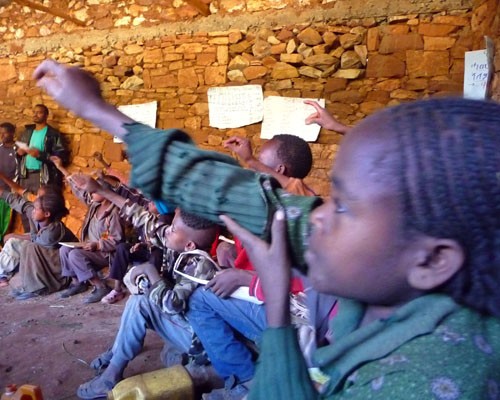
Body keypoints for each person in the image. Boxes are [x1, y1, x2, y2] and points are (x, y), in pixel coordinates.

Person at [219, 98, 500, 399]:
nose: (318, 214)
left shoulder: (414, 382)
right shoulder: (419, 312)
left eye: (342, 206)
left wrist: (277, 308)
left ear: (432, 261)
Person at [32, 60, 322, 274]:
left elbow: (209, 184)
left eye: (262, 166)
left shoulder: (295, 214)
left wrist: (94, 109)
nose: (254, 173)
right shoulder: (275, 219)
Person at [71, 176, 218, 400]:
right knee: (141, 296)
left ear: (189, 244)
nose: (166, 231)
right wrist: (101, 189)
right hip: (183, 325)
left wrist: (150, 275)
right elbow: (142, 217)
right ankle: (118, 352)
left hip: (199, 340)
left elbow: (172, 304)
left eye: (172, 230)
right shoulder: (178, 243)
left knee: (141, 301)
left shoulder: (202, 265)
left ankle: (111, 375)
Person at [56, 170, 125, 304]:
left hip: (105, 253)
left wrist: (98, 245)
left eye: (94, 190)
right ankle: (78, 282)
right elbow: (80, 190)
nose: (90, 193)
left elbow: (117, 241)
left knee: (75, 255)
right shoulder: (94, 205)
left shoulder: (114, 213)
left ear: (106, 192)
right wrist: (65, 171)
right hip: (90, 248)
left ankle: (101, 286)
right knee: (64, 250)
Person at [0, 187, 77, 298]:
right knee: (24, 246)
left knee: (30, 248)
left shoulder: (53, 230)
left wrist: (16, 235)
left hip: (61, 266)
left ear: (47, 213)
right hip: (47, 258)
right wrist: (2, 192)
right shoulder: (37, 214)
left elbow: (35, 241)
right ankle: (27, 283)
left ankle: (39, 288)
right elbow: (21, 203)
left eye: (36, 208)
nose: (33, 211)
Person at [223, 134, 316, 196]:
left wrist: (250, 160)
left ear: (279, 170)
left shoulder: (302, 198)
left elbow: (294, 185)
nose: (254, 167)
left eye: (260, 160)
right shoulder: (265, 193)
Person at [0, 122, 18, 244]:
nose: (1, 135)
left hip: (7, 191)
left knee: (4, 220)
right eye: (0, 133)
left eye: (4, 133)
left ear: (12, 133)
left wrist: (14, 189)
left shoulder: (17, 151)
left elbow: (18, 172)